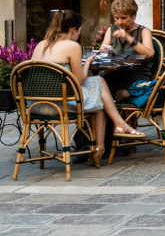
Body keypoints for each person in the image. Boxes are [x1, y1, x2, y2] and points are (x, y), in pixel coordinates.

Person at [29, 9, 146, 161]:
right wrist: (88, 63)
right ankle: (106, 139)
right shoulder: (72, 46)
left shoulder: (41, 45)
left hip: (36, 105)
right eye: (79, 31)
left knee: (99, 87)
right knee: (99, 91)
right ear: (73, 30)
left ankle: (109, 134)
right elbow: (79, 80)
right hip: (61, 104)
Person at [100, 0, 156, 99]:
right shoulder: (111, 29)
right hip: (114, 72)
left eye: (124, 18)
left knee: (121, 93)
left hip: (136, 73)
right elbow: (102, 51)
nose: (120, 22)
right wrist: (106, 51)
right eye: (116, 18)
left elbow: (150, 54)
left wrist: (128, 37)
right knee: (98, 87)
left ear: (134, 16)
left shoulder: (143, 31)